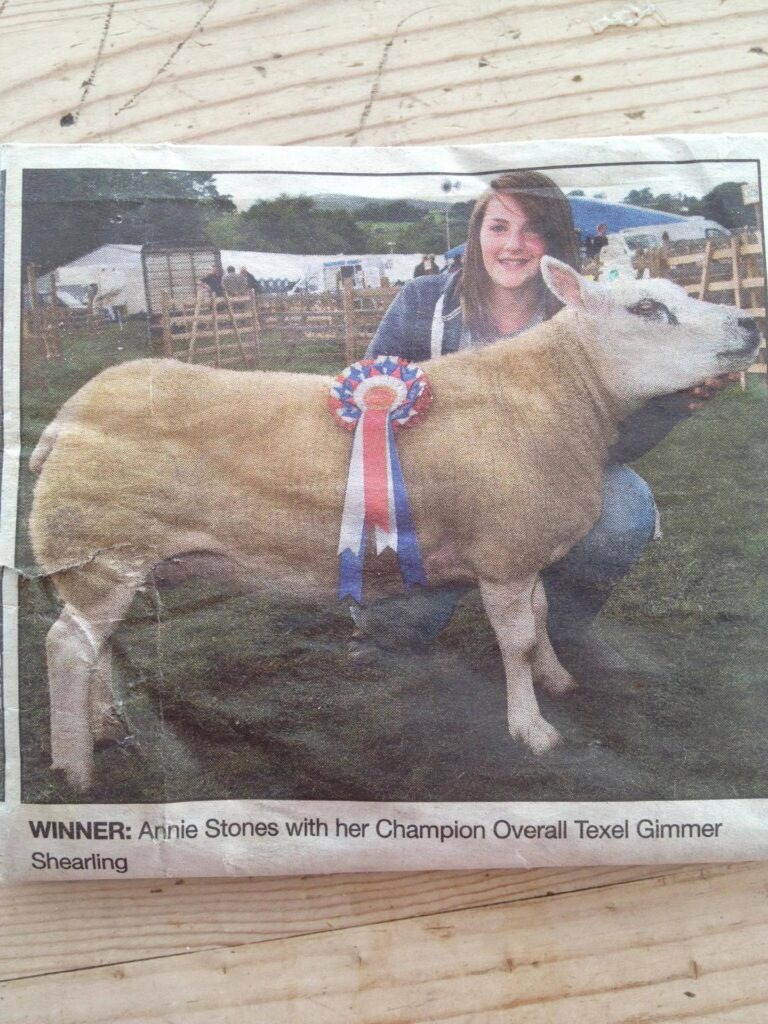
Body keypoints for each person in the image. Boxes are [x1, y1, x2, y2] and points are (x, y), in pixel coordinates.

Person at [351, 170, 719, 671]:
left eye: (534, 229)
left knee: (625, 508)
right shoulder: (423, 302)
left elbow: (609, 445)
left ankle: (563, 632)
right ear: (477, 231)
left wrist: (672, 407)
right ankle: (386, 629)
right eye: (499, 227)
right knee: (405, 625)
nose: (514, 245)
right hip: (438, 490)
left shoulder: (586, 315)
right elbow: (368, 409)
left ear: (558, 240)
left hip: (546, 481)